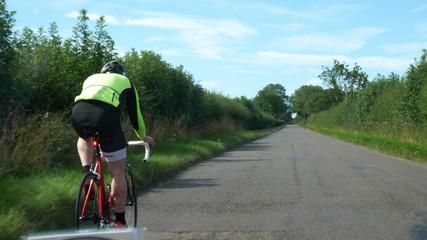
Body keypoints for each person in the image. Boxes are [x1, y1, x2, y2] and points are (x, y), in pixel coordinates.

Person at [71, 61, 155, 228]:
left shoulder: (91, 78)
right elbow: (135, 116)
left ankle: (87, 174)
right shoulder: (127, 82)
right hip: (106, 118)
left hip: (78, 114)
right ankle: (120, 220)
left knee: (84, 137)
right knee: (117, 173)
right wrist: (143, 137)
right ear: (121, 74)